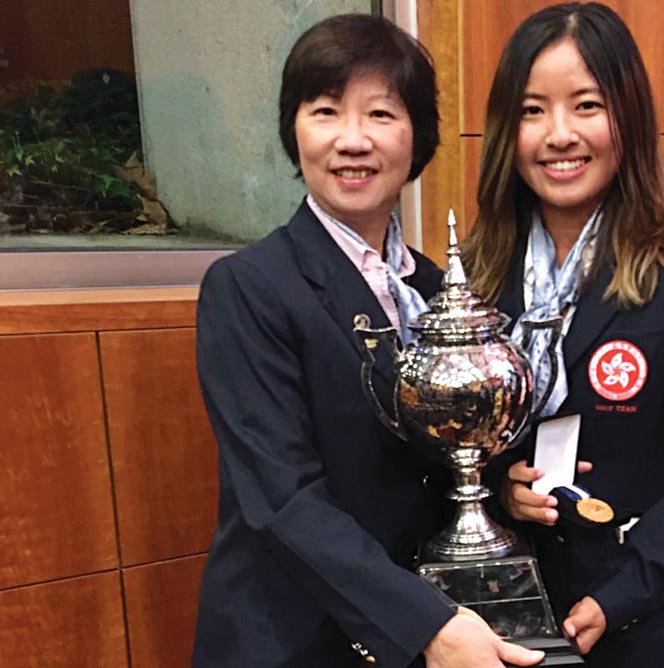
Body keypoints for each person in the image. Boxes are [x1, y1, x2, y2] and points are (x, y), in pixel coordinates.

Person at [192, 14, 543, 668]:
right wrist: (428, 625)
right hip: (296, 642)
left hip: (416, 629)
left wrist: (502, 484)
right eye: (325, 112)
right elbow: (284, 500)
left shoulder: (439, 290)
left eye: (381, 114)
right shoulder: (247, 288)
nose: (352, 141)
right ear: (294, 132)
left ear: (418, 137)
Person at [463, 3, 664, 667]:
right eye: (533, 110)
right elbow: (455, 453)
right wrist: (503, 489)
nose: (558, 134)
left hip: (639, 628)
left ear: (627, 116)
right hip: (501, 623)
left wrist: (618, 597)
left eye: (586, 105)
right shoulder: (478, 276)